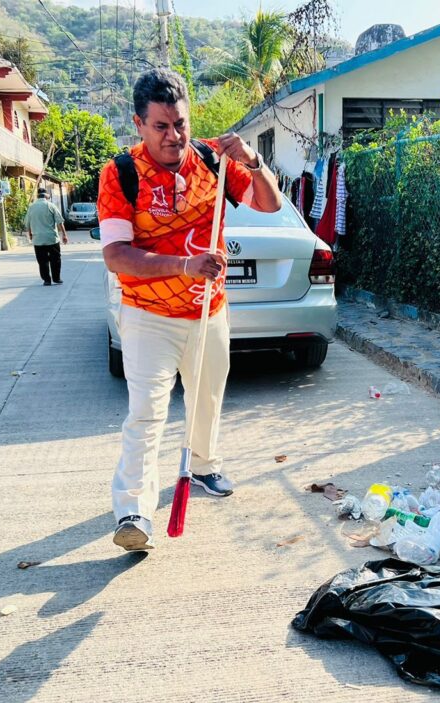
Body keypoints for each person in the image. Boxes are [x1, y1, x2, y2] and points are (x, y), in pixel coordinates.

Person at [98, 68, 282, 551]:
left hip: (208, 312)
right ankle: (133, 511)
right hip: (148, 316)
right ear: (139, 124)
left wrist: (253, 161)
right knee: (146, 414)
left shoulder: (212, 160)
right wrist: (185, 265)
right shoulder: (121, 173)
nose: (173, 136)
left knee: (207, 399)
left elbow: (270, 204)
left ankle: (203, 466)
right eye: (160, 126)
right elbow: (117, 256)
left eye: (179, 123)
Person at [23, 188, 68, 285]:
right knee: (55, 259)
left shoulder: (31, 207)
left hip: (38, 239)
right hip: (51, 238)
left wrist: (30, 234)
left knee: (42, 260)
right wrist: (64, 235)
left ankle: (46, 280)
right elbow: (60, 222)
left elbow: (27, 223)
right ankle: (56, 278)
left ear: (37, 196)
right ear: (46, 195)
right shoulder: (51, 205)